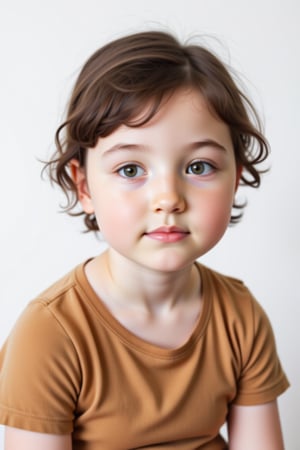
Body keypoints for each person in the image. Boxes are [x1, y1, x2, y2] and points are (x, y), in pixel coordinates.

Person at [0, 30, 289, 450]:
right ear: (84, 188)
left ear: (237, 176)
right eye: (132, 170)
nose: (168, 198)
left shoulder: (240, 316)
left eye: (199, 166)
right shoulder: (49, 335)